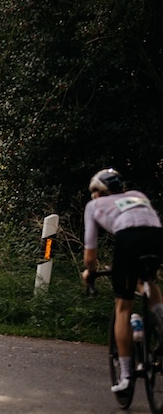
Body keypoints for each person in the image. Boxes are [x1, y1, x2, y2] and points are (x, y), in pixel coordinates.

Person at [83, 168, 163, 394]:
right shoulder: (138, 195)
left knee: (123, 305)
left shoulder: (94, 205)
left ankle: (126, 376)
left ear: (98, 191)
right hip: (157, 237)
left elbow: (90, 255)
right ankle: (161, 320)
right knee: (146, 281)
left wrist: (90, 272)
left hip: (128, 240)